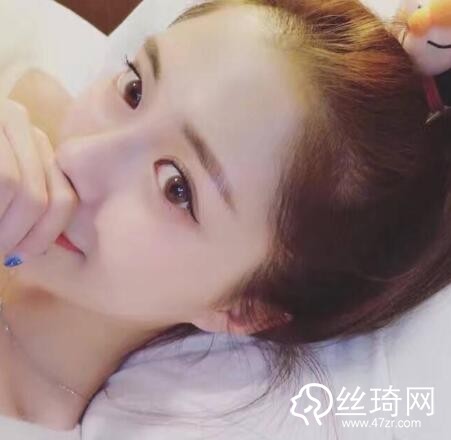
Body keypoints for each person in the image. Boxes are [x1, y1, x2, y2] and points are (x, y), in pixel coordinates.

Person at [0, 0, 450, 437]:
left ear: (244, 309)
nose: (77, 156)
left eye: (176, 188)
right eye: (134, 90)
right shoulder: (19, 78)